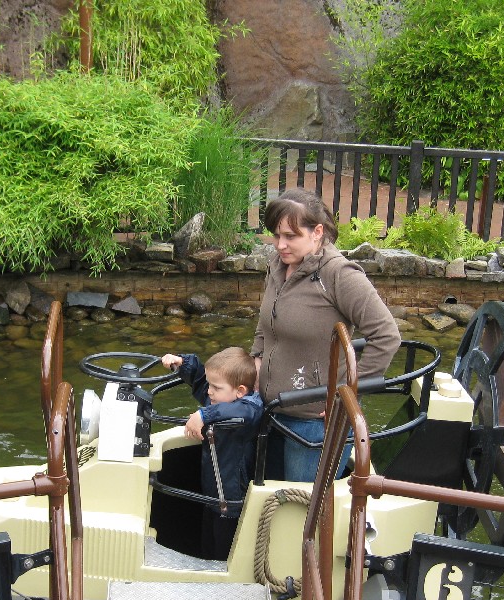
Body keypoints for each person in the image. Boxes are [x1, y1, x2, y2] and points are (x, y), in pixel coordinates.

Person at [252, 188, 401, 483]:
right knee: (269, 502)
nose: (280, 245)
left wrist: (346, 397)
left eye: (290, 236)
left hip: (314, 425)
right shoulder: (278, 265)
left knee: (303, 506)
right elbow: (265, 324)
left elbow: (386, 335)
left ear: (317, 232)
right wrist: (256, 359)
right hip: (270, 411)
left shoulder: (340, 275)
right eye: (276, 235)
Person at [161, 347, 264, 561]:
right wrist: (183, 364)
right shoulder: (218, 398)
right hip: (212, 496)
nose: (209, 392)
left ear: (240, 391)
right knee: (207, 543)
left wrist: (204, 414)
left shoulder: (250, 408)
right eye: (211, 385)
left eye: (216, 387)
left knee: (223, 551)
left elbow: (242, 412)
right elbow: (200, 381)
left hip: (231, 501)